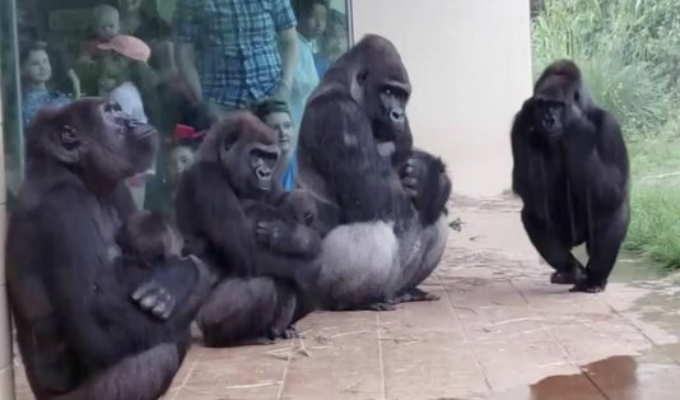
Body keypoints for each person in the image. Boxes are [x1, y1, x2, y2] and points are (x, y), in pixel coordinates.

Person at [174, 0, 300, 119]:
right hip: (219, 106)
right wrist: (204, 105)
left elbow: (290, 41)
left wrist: (284, 90)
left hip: (271, 100)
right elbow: (184, 54)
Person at [20, 41, 73, 128]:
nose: (43, 67)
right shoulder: (25, 103)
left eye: (45, 61)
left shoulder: (58, 95)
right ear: (22, 70)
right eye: (35, 64)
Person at [253, 100, 297, 191]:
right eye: (275, 128)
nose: (283, 133)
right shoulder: (253, 169)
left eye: (287, 126)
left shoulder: (305, 166)